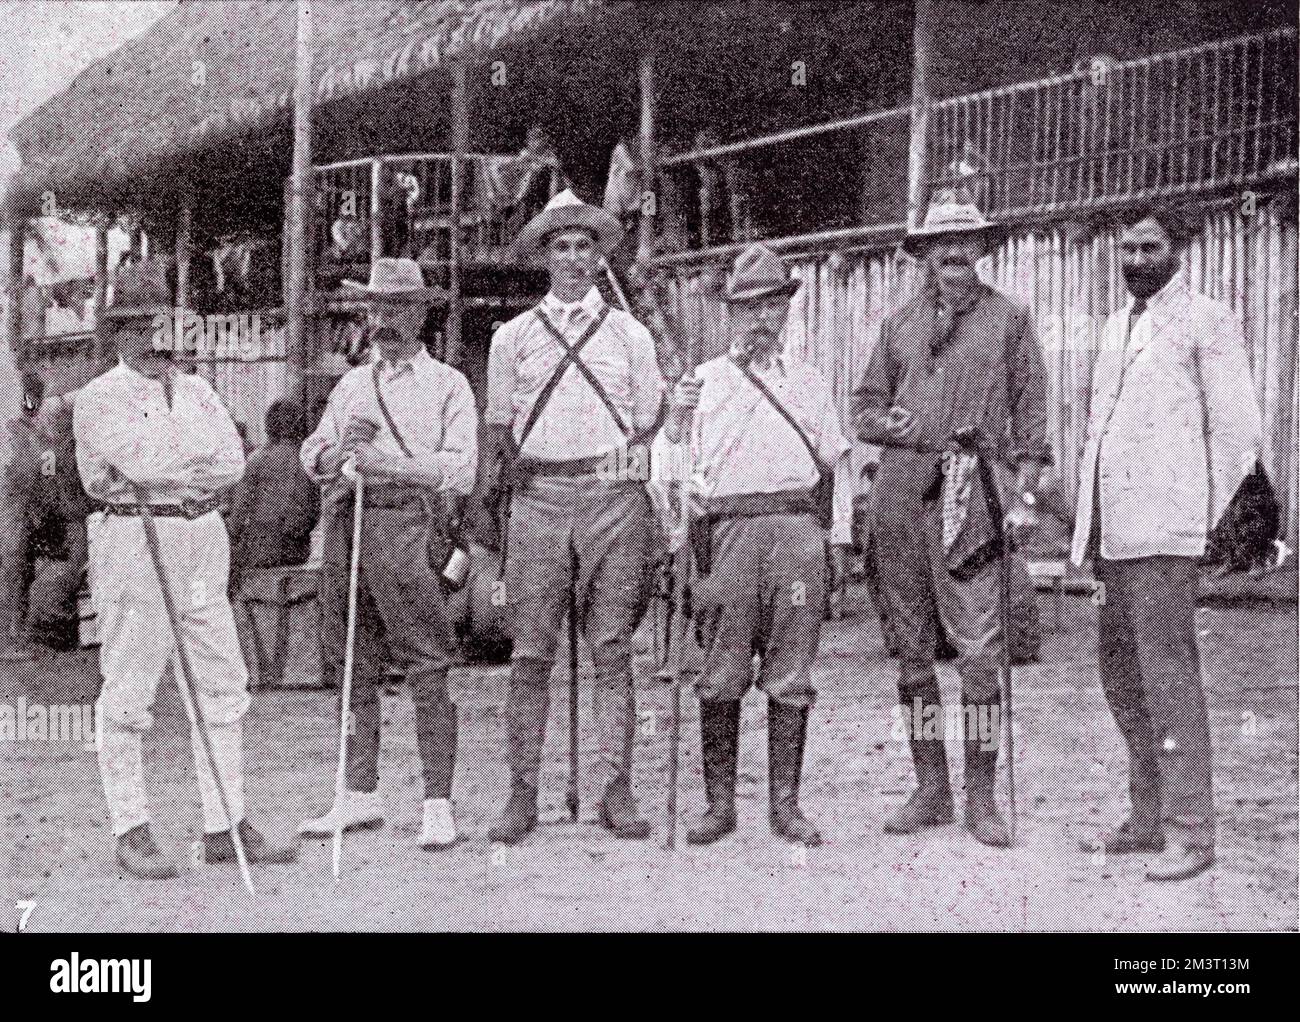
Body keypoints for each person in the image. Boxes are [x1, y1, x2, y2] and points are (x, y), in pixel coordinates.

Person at [72, 263, 297, 879]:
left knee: (222, 682)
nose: (148, 336)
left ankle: (225, 822)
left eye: (157, 323)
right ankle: (131, 826)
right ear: (115, 334)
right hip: (134, 537)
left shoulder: (197, 389)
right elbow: (143, 464)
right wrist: (173, 462)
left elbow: (230, 464)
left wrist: (173, 464)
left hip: (201, 535)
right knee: (129, 685)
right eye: (133, 325)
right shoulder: (96, 398)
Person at [851, 189, 1048, 848]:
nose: (954, 259)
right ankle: (932, 787)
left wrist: (1024, 495)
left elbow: (1032, 410)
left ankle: (983, 798)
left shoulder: (1011, 319)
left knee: (979, 651)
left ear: (981, 252)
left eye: (964, 248)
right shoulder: (897, 325)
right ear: (927, 256)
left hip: (973, 491)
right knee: (912, 649)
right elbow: (865, 407)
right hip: (901, 491)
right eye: (942, 250)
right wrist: (886, 423)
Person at [1072, 203, 1263, 882]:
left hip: (1166, 536)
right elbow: (1099, 433)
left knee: (1169, 680)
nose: (1135, 261)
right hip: (1114, 536)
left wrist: (1197, 522)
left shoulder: (1206, 322)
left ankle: (1192, 830)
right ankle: (1147, 817)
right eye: (1126, 250)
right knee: (1121, 678)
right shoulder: (1115, 327)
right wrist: (1085, 529)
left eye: (1149, 248)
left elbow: (1238, 433)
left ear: (1178, 250)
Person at [484, 189, 664, 844]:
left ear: (597, 256)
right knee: (531, 652)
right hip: (538, 500)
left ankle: (616, 788)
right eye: (560, 246)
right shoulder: (512, 339)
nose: (573, 258)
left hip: (614, 500)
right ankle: (522, 793)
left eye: (584, 245)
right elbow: (500, 428)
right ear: (544, 257)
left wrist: (631, 483)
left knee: (613, 649)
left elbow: (649, 424)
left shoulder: (630, 334)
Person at [666, 242, 852, 846]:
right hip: (728, 536)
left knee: (791, 671)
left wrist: (840, 541)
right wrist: (675, 423)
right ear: (729, 314)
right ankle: (720, 804)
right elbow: (673, 469)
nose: (760, 319)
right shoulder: (702, 384)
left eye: (772, 305)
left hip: (797, 533)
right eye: (747, 308)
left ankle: (785, 804)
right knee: (720, 671)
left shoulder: (810, 381)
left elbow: (838, 468)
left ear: (787, 309)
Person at [299, 257, 477, 851]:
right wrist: (334, 457)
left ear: (421, 314)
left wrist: (387, 464)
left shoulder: (448, 384)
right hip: (349, 525)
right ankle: (358, 793)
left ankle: (437, 802)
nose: (384, 319)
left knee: (427, 664)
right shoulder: (351, 384)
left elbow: (461, 469)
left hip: (411, 527)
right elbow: (312, 450)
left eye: (398, 307)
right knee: (353, 663)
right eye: (376, 307)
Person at [0, 372, 47, 661]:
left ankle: (15, 635)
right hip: (12, 508)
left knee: (20, 570)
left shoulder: (30, 430)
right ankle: (9, 639)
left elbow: (44, 469)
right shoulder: (16, 430)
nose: (34, 404)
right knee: (12, 570)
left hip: (23, 509)